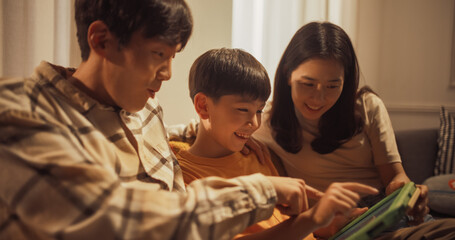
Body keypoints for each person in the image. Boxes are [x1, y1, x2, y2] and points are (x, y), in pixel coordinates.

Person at [0, 1, 315, 239]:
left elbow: (168, 135)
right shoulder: (18, 112)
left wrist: (232, 128)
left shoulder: (141, 106)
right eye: (157, 54)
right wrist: (261, 191)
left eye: (173, 56)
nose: (168, 73)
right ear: (101, 40)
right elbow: (115, 220)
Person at [253, 21, 455, 238]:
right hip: (333, 224)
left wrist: (408, 194)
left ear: (346, 80)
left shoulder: (366, 106)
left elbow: (395, 176)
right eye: (308, 84)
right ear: (287, 75)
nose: (319, 98)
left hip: (381, 210)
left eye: (333, 86)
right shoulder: (264, 122)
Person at [170, 48, 379, 240]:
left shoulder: (255, 154)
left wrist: (328, 223)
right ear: (203, 105)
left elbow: (284, 226)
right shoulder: (183, 177)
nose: (254, 123)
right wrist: (311, 219)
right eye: (243, 110)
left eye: (259, 110)